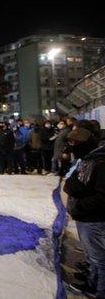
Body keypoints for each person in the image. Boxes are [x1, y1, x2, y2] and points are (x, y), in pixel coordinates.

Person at [63, 127, 105, 298]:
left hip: (93, 218)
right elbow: (72, 183)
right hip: (85, 217)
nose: (72, 147)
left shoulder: (100, 163)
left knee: (99, 259)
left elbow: (102, 196)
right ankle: (92, 283)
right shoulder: (88, 159)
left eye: (75, 143)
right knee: (93, 257)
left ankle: (101, 291)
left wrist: (80, 206)